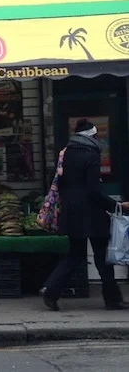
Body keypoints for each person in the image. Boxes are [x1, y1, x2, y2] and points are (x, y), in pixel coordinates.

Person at [41, 119, 129, 311]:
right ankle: (112, 299)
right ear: (92, 136)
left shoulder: (66, 153)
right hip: (92, 213)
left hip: (71, 211)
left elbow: (59, 182)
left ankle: (51, 290)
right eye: (97, 136)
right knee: (102, 257)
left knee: (75, 254)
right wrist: (117, 206)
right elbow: (93, 192)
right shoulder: (91, 154)